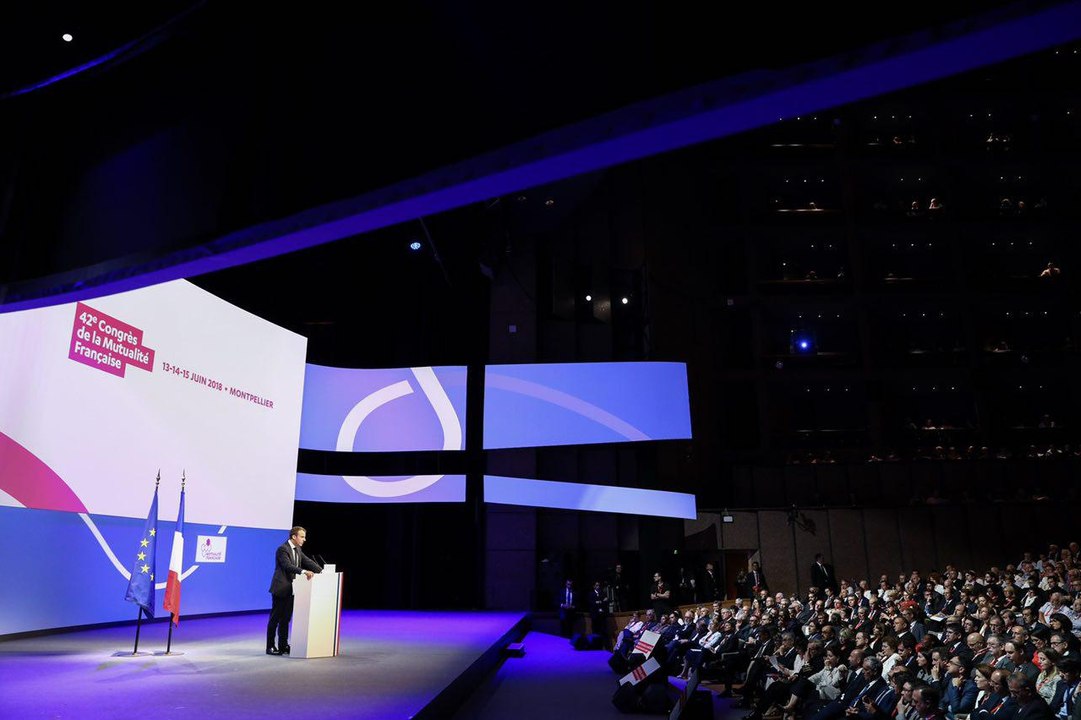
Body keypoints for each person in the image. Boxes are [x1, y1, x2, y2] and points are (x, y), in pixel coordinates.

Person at [267, 525, 322, 655]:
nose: (304, 539)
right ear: (294, 537)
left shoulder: (297, 549)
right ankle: (270, 646)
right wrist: (304, 572)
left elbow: (307, 561)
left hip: (291, 589)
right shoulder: (282, 549)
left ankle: (283, 645)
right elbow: (287, 566)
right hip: (280, 588)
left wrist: (322, 571)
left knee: (286, 619)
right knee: (275, 619)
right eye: (302, 537)